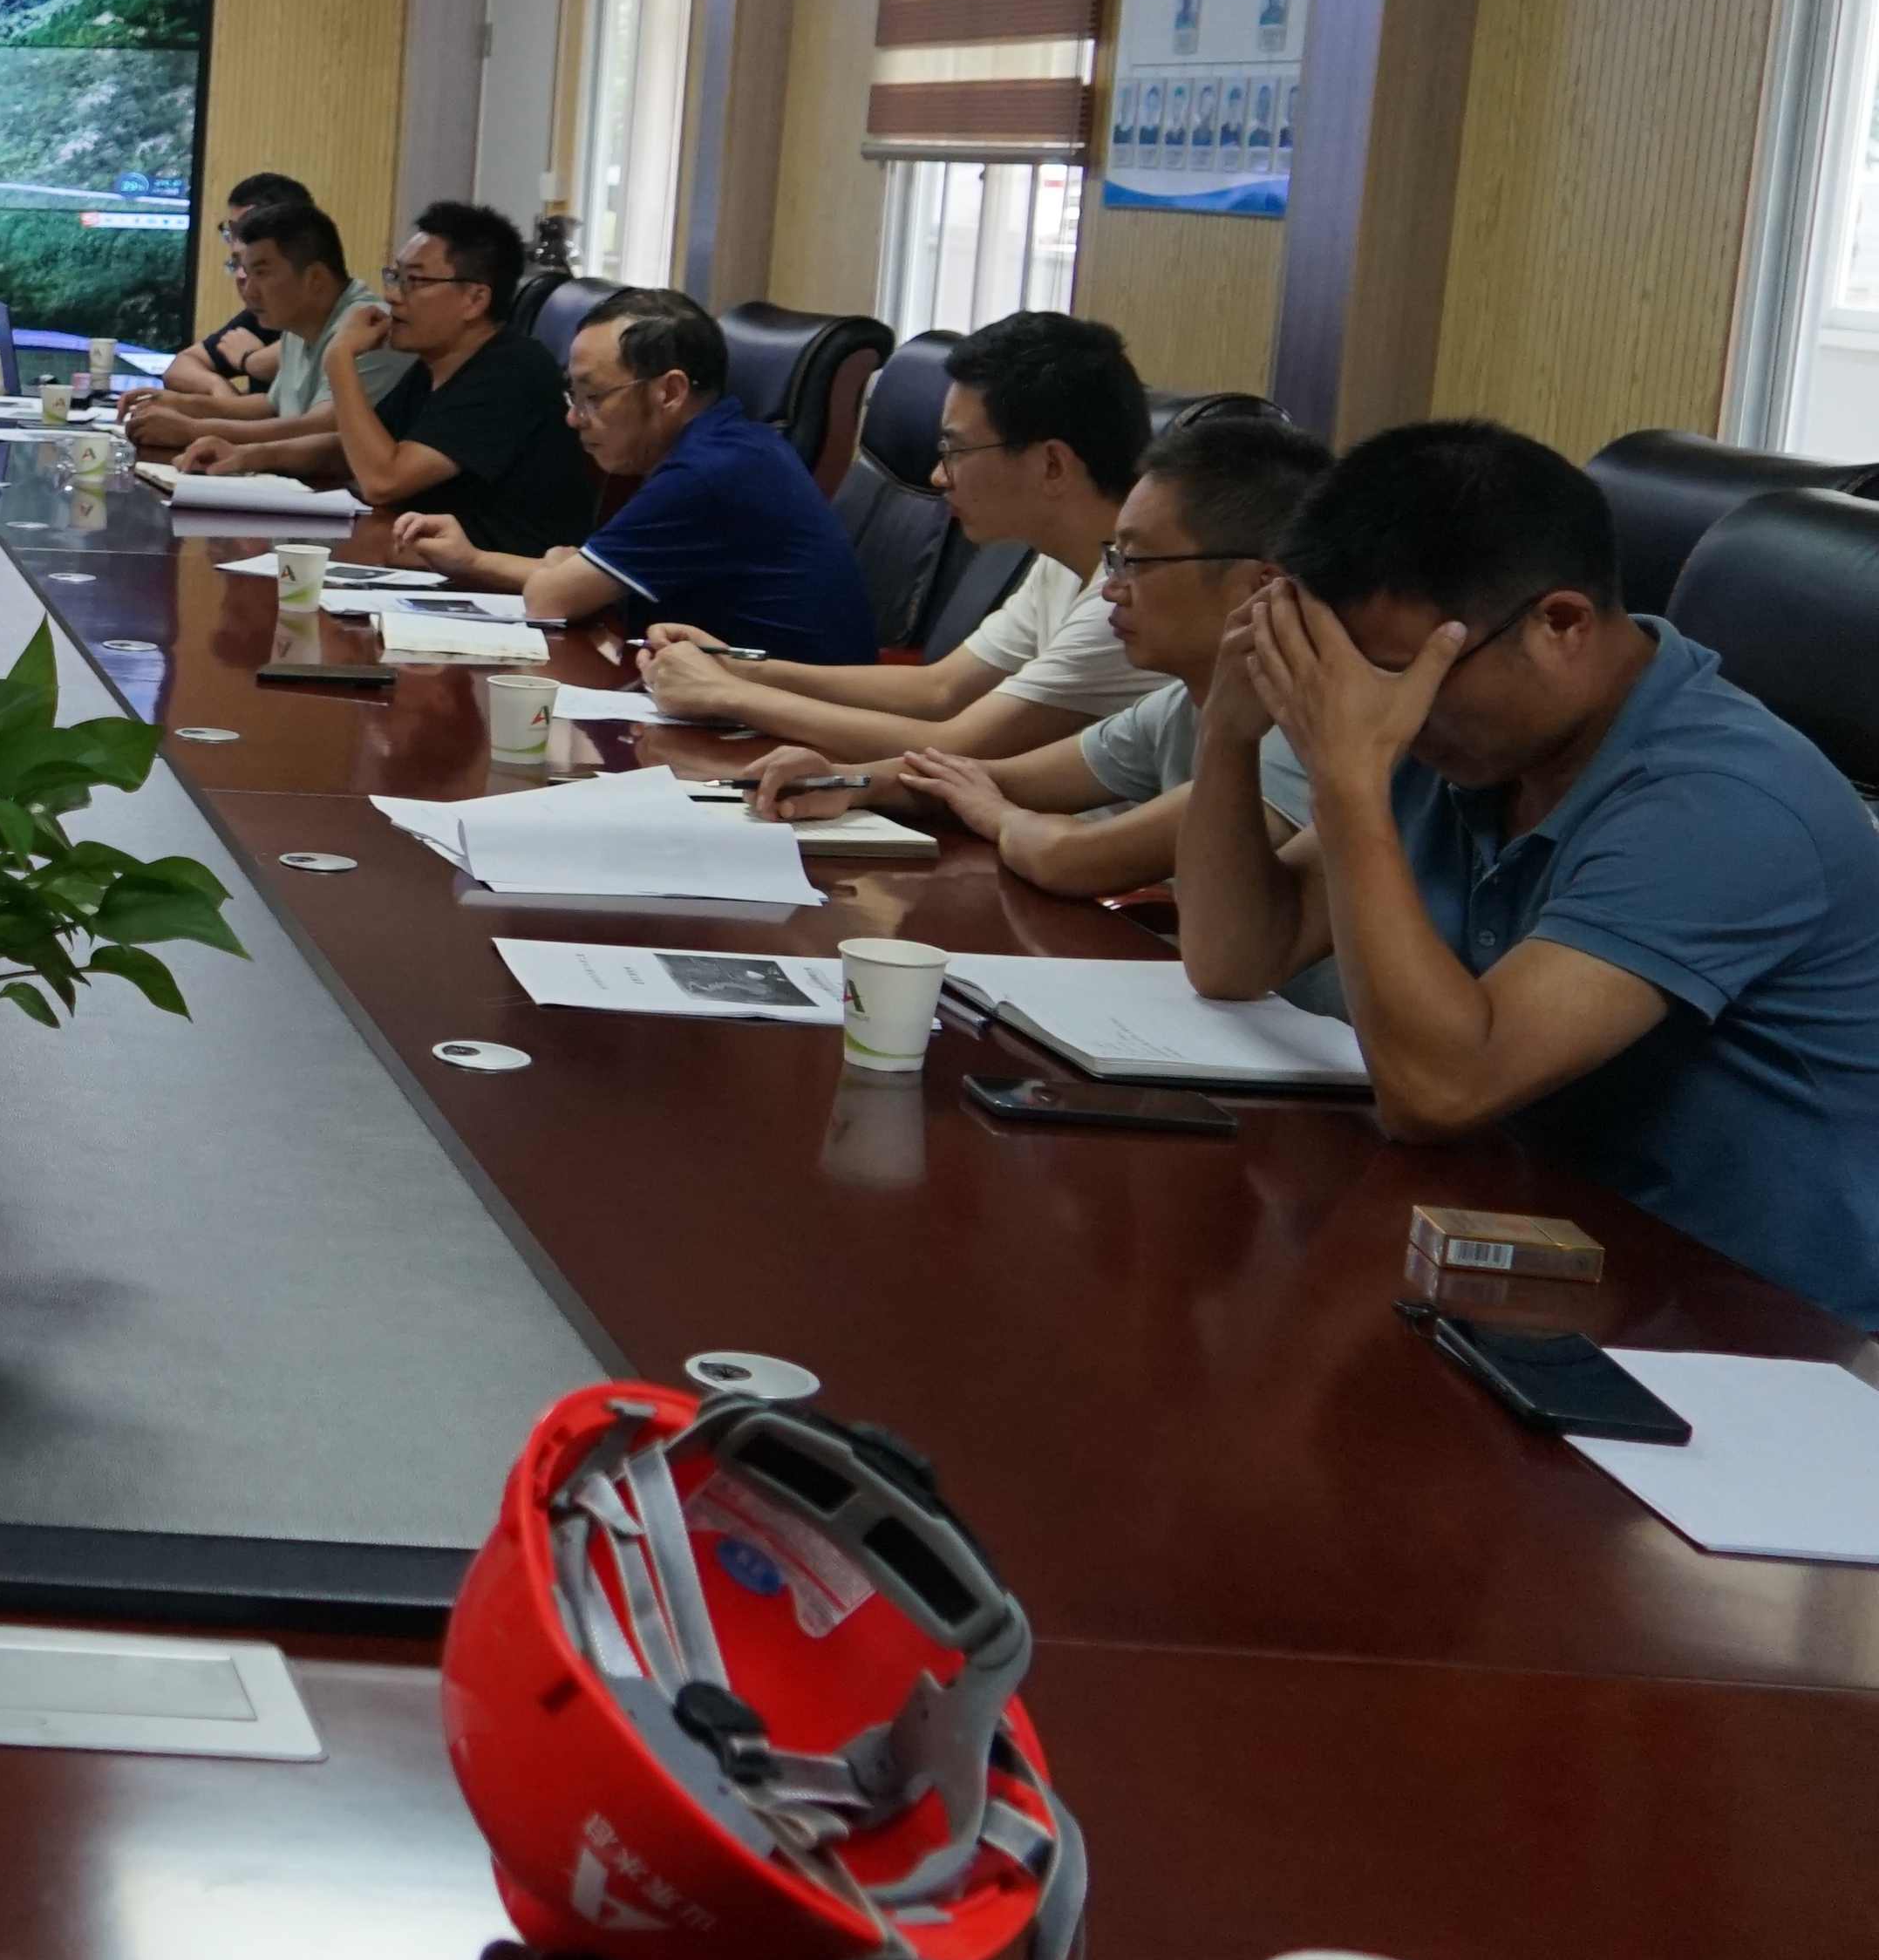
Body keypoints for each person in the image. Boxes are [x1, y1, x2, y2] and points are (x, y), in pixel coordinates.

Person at [1176, 420, 1879, 1320]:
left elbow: (1441, 1090)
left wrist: (1347, 780)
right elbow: (1234, 957)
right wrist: (1228, 730)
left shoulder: (1726, 802)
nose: (1384, 712)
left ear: (1561, 624)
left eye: (1403, 674)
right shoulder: (1469, 752)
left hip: (1747, 1336)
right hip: (1539, 1257)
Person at [846, 415, 1340, 998]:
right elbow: (985, 778)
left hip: (1310, 1047)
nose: (1111, 588)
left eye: (1139, 563)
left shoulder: (1304, 728)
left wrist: (996, 814)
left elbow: (1075, 858)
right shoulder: (1176, 705)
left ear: (1260, 588)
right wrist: (849, 781)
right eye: (1115, 558)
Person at [659, 310, 1170, 790]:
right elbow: (940, 689)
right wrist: (736, 666)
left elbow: (957, 745)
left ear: (1052, 465)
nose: (937, 476)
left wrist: (729, 695)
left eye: (955, 451)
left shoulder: (1125, 602)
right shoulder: (1063, 561)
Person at [394, 287, 878, 662]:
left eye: (593, 396)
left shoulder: (708, 474)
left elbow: (552, 598)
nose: (573, 417)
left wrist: (563, 567)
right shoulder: (727, 443)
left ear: (669, 392)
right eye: (573, 395)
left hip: (787, 720)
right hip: (736, 693)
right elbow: (584, 580)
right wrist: (473, 560)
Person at [186, 200, 593, 556]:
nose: (393, 295)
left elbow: (383, 480)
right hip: (418, 560)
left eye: (414, 281)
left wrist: (340, 358)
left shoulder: (509, 371)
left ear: (474, 299)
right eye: (395, 277)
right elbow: (350, 448)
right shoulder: (435, 363)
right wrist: (247, 456)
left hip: (501, 590)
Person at [135, 200, 356, 455]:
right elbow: (271, 407)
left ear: (315, 278)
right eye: (244, 271)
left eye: (261, 273)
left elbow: (323, 427)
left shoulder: (362, 326)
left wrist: (192, 429)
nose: (248, 291)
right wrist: (180, 404)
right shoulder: (300, 320)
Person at [176, 168, 312, 388]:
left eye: (261, 271)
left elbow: (296, 408)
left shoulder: (342, 325)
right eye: (232, 231)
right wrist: (218, 388)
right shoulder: (264, 310)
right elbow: (181, 367)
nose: (241, 277)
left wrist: (250, 360)